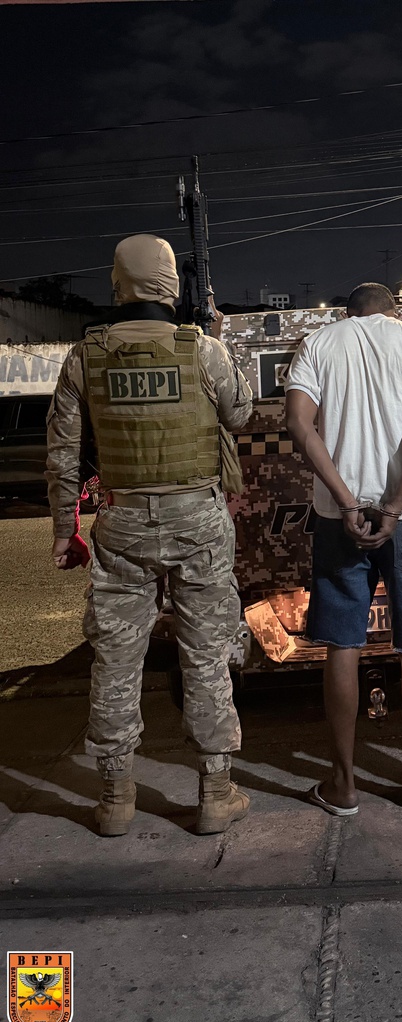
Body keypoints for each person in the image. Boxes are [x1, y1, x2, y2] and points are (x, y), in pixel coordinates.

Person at [46, 234, 254, 837]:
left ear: (117, 283)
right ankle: (215, 792)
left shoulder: (85, 356)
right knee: (207, 655)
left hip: (122, 522)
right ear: (171, 285)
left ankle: (115, 798)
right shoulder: (203, 350)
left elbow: (61, 454)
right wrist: (217, 336)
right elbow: (241, 415)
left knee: (115, 659)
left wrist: (64, 530)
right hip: (198, 520)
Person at [284, 282, 402, 815]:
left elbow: (298, 424)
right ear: (394, 309)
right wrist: (395, 504)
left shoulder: (318, 343)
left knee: (342, 646)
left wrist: (345, 502)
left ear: (348, 312)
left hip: (337, 518)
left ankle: (342, 786)